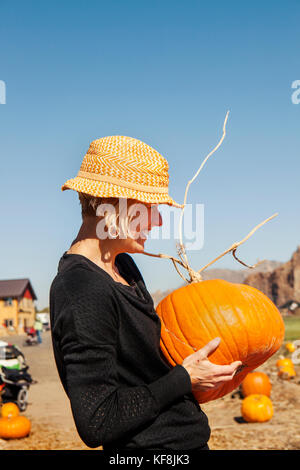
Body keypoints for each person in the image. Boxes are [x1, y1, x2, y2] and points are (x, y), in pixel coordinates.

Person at [49, 136, 241, 451]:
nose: (158, 220)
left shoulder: (124, 267)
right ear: (110, 204)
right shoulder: (81, 289)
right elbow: (97, 421)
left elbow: (147, 369)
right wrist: (184, 378)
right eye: (148, 207)